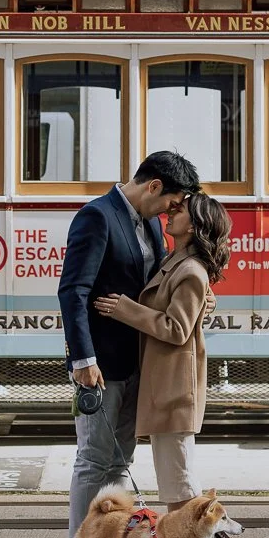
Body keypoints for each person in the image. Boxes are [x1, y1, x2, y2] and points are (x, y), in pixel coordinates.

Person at [58, 151, 200, 538]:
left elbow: (158, 286)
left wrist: (204, 301)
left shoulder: (145, 223)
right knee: (93, 460)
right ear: (154, 186)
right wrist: (82, 357)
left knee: (118, 465)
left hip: (138, 363)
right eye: (172, 202)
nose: (171, 213)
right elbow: (73, 291)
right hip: (100, 366)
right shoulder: (96, 217)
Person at [93, 191, 231, 520]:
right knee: (173, 479)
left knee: (178, 482)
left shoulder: (190, 270)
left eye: (179, 211)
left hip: (174, 391)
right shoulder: (174, 262)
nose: (170, 213)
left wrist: (125, 310)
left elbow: (176, 328)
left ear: (195, 227)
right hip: (166, 388)